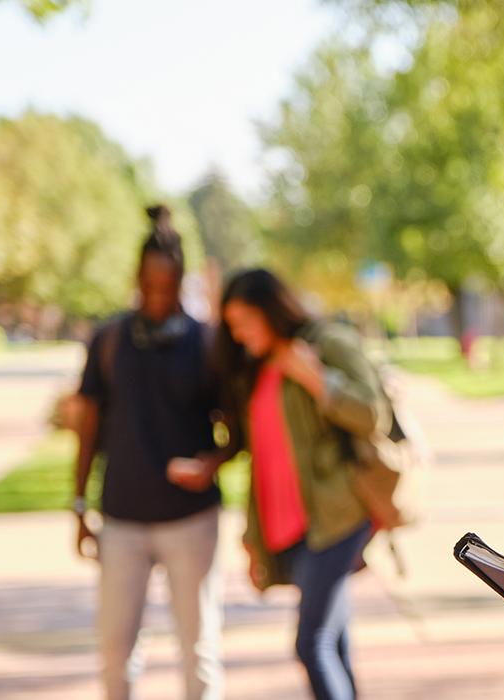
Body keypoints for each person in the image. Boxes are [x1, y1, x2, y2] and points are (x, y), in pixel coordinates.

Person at [71, 205, 228, 700]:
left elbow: (237, 430)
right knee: (115, 652)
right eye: (149, 285)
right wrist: (78, 504)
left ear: (181, 280)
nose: (158, 296)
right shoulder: (110, 340)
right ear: (137, 278)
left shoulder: (205, 342)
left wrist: (213, 463)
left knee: (198, 650)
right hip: (121, 521)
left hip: (191, 521)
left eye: (168, 285)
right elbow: (87, 430)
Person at [214, 268, 389, 700]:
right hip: (292, 526)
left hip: (338, 516)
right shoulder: (257, 369)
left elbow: (373, 415)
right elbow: (263, 464)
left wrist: (316, 378)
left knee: (310, 642)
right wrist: (253, 539)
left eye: (244, 323)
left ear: (270, 311)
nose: (238, 335)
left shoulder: (326, 344)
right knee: (333, 640)